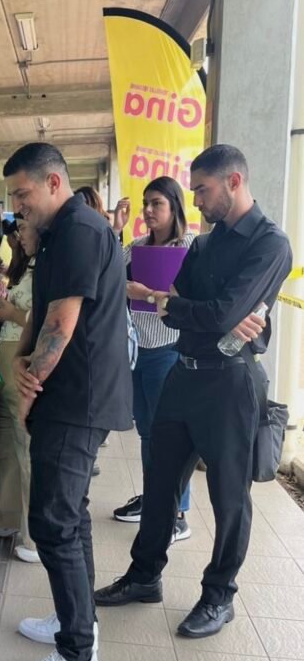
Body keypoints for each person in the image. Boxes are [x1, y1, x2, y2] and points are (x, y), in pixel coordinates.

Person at [94, 144, 293, 638]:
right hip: (183, 374)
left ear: (233, 182)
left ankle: (219, 596)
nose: (197, 201)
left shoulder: (270, 244)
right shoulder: (203, 244)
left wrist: (191, 308)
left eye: (202, 190)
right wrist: (198, 310)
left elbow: (205, 310)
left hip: (230, 383)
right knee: (160, 483)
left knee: (229, 497)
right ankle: (144, 576)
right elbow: (182, 307)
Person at [3, 142, 133, 661]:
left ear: (54, 183)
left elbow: (61, 321)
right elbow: (40, 310)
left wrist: (27, 392)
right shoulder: (56, 233)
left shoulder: (80, 229)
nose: (17, 205)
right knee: (70, 515)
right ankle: (75, 619)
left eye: (22, 193)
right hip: (69, 395)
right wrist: (21, 357)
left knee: (53, 520)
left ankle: (77, 655)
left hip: (77, 398)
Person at [111, 177, 195, 540]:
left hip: (170, 349)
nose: (147, 210)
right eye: (145, 203)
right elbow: (107, 272)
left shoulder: (190, 247)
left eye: (156, 203)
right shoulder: (138, 247)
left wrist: (147, 294)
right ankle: (154, 498)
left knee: (171, 435)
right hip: (138, 350)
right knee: (147, 431)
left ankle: (177, 512)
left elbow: (193, 300)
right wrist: (116, 230)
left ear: (174, 206)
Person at [0, 216, 39, 561]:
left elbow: (44, 319)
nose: (17, 236)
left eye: (22, 228)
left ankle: (33, 536)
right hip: (8, 354)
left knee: (26, 444)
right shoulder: (26, 265)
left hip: (24, 356)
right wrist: (2, 307)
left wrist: (10, 312)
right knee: (7, 440)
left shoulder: (49, 266)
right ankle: (7, 517)